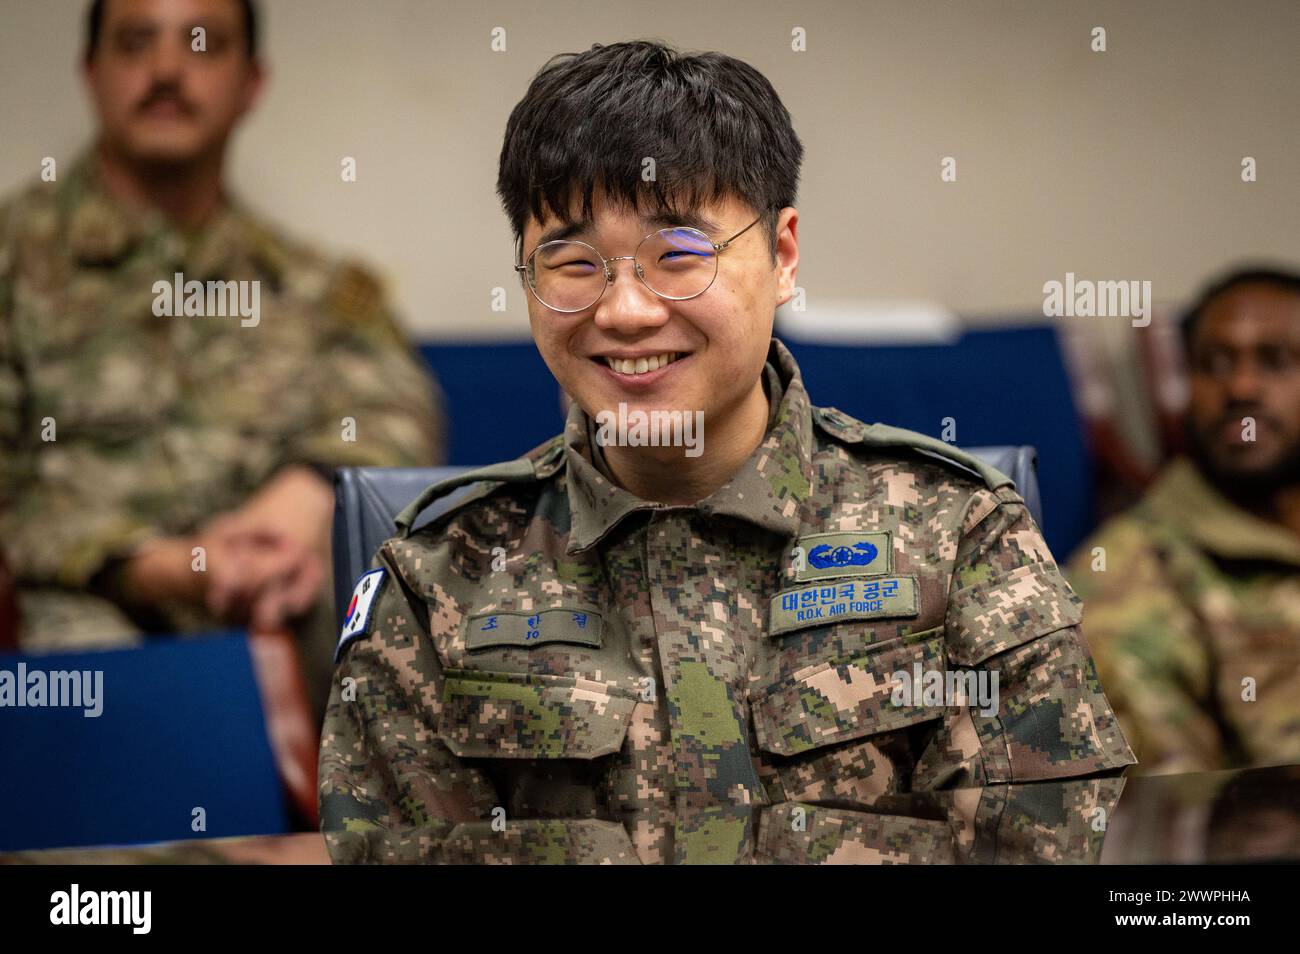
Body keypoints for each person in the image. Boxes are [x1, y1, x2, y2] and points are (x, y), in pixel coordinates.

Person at [319, 39, 1134, 864]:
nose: (627, 311)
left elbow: (1040, 849)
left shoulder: (958, 539)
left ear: (782, 255)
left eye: (678, 255)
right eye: (572, 263)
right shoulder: (435, 582)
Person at [0, 0, 444, 718]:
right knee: (105, 701)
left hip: (277, 598)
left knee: (405, 625)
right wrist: (161, 568)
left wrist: (306, 493)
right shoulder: (14, 264)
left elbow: (396, 404)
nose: (169, 69)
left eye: (203, 45)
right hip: (83, 602)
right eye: (137, 42)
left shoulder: (311, 286)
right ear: (91, 72)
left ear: (252, 83)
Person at [1067, 267, 1300, 776]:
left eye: (1275, 361)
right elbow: (1173, 823)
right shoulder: (1123, 587)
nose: (1240, 387)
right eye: (1214, 364)